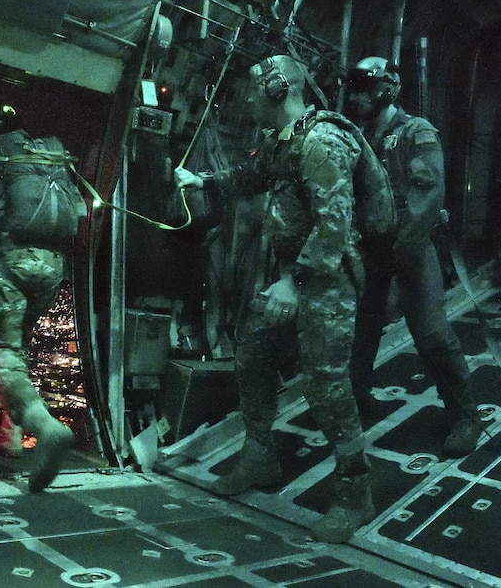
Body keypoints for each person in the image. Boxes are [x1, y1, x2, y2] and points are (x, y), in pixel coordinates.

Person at [175, 55, 374, 543]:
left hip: (327, 280)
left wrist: (292, 283)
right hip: (297, 276)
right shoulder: (283, 141)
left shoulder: (322, 142)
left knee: (326, 387)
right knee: (254, 354)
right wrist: (205, 183)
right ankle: (260, 456)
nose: (246, 101)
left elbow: (335, 227)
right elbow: (252, 178)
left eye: (252, 92)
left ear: (278, 88)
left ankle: (354, 493)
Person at [345, 56, 481, 457]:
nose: (355, 96)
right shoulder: (359, 136)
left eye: (363, 87)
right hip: (372, 248)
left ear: (385, 88)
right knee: (361, 329)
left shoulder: (415, 132)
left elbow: (427, 190)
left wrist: (403, 244)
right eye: (353, 88)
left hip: (410, 246)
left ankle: (466, 416)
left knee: (433, 334)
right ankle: (355, 399)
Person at [0, 104, 87, 491]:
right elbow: (78, 211)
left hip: (8, 259)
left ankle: (45, 428)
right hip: (51, 266)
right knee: (19, 349)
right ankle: (9, 435)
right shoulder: (47, 159)